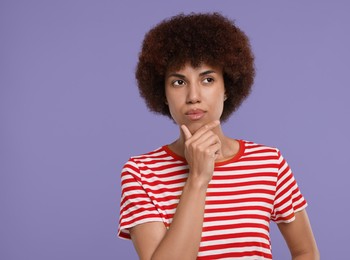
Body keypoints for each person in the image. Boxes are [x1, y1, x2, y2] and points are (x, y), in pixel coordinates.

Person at [118, 12, 319, 260]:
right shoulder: (140, 173)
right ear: (163, 93)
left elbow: (306, 252)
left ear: (227, 88)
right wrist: (198, 179)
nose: (193, 95)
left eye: (208, 79)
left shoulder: (269, 163)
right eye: (179, 82)